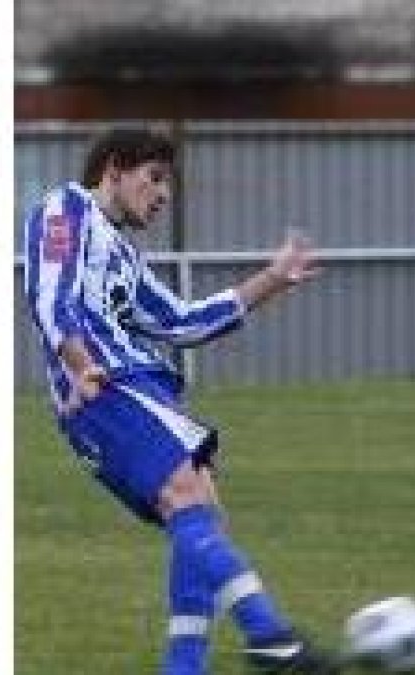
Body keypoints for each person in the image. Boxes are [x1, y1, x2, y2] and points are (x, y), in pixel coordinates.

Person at [21, 128, 340, 675]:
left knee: (200, 511)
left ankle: (185, 666)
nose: (164, 195)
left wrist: (271, 279)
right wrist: (78, 364)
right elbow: (50, 294)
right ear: (115, 169)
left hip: (138, 385)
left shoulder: (122, 252)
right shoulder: (63, 208)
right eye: (155, 178)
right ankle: (269, 635)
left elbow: (181, 322)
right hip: (105, 385)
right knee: (187, 494)